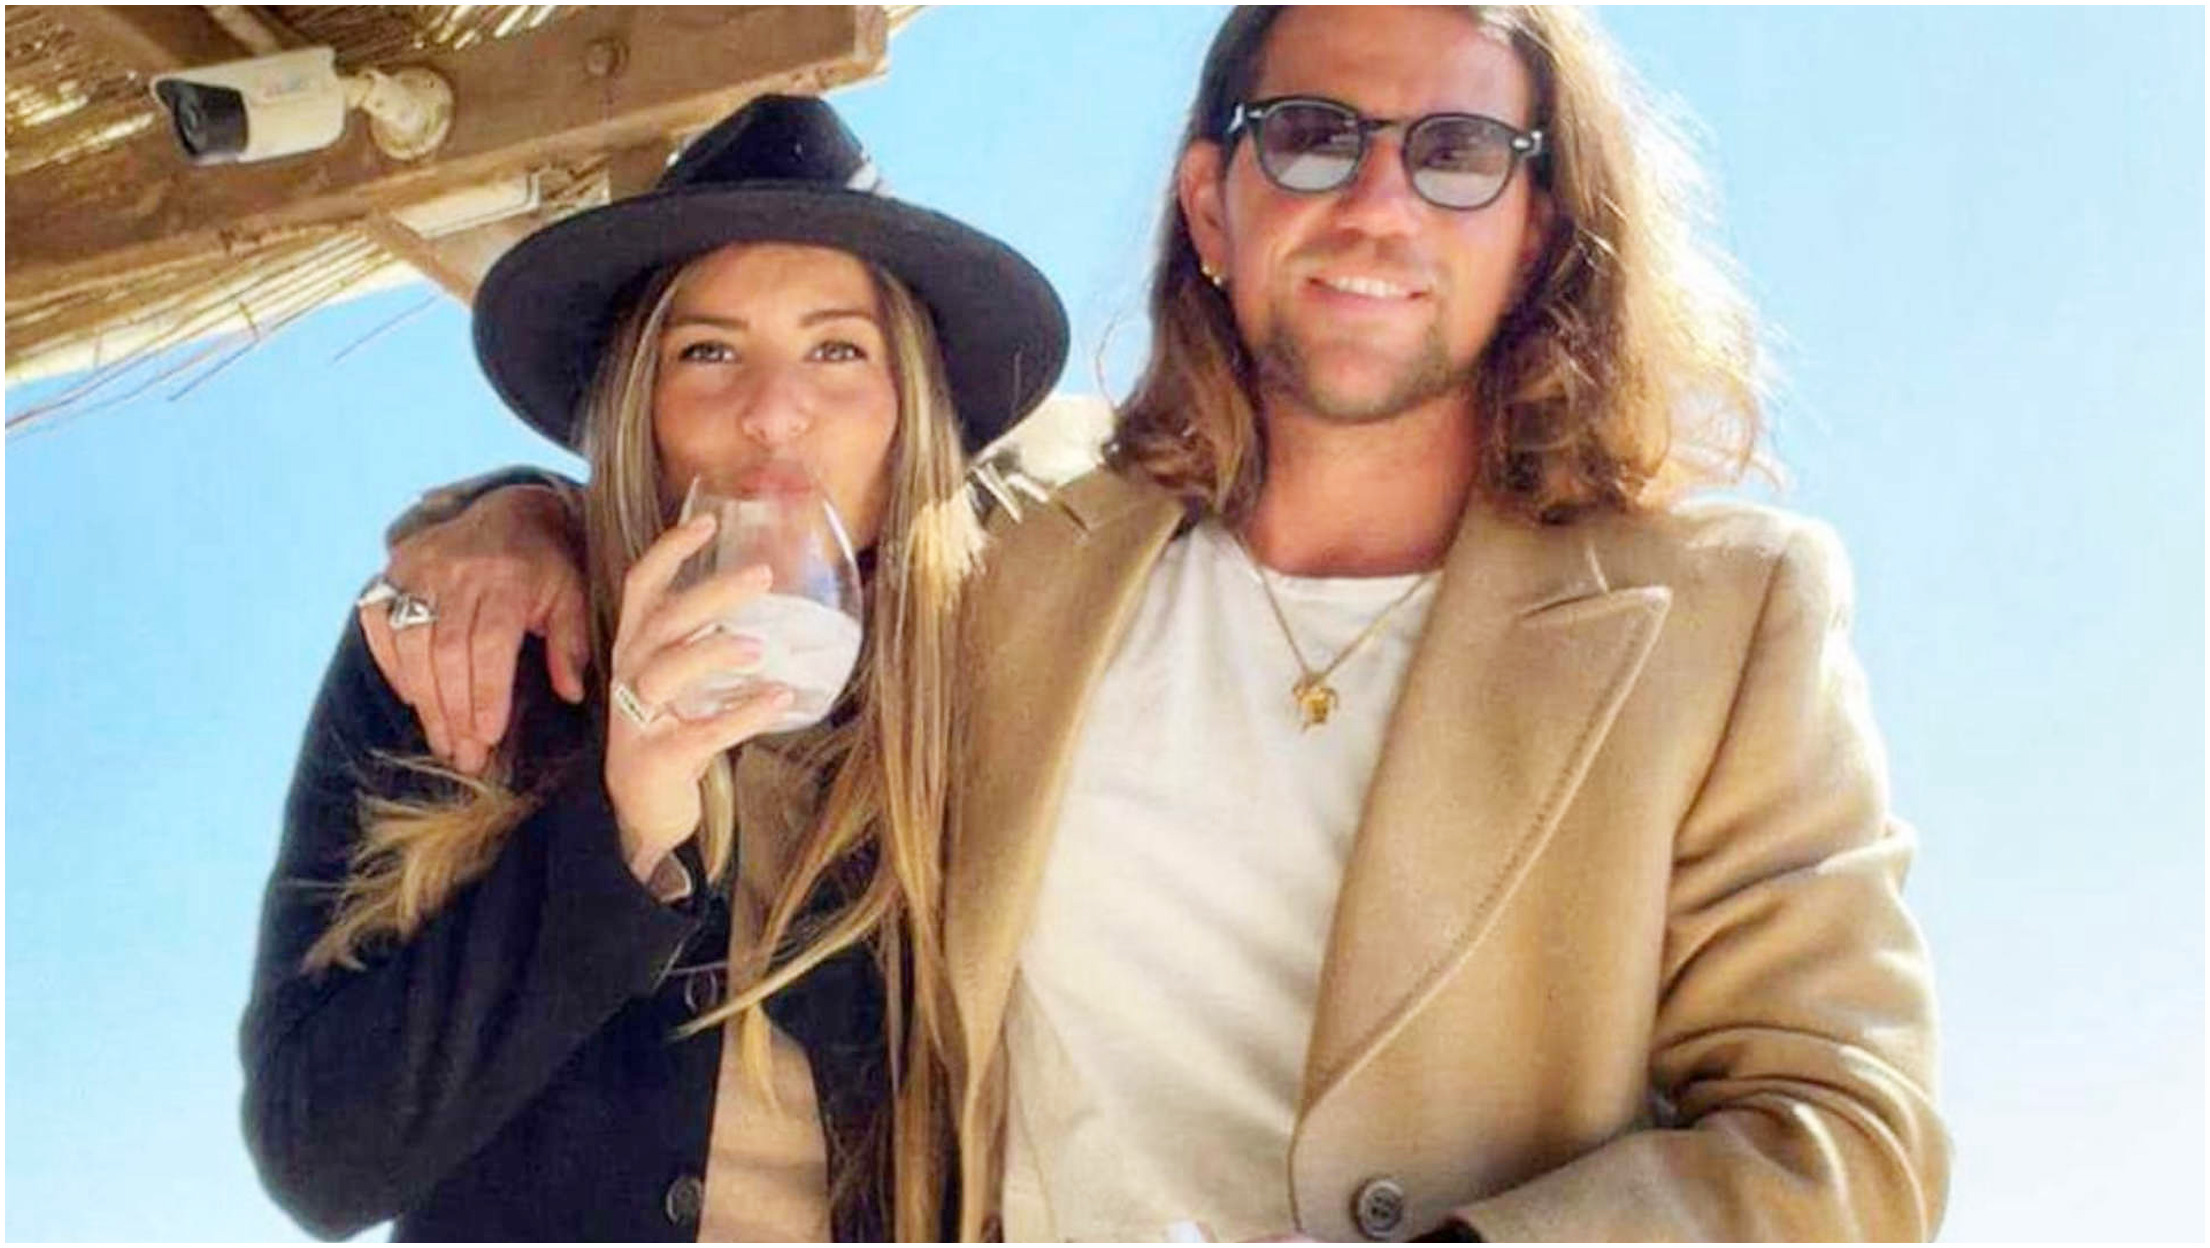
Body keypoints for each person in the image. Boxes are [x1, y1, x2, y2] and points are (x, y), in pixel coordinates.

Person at [368, 6, 1949, 1241]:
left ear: (1534, 225)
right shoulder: (1018, 546)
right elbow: (781, 478)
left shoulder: (1724, 614)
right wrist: (523, 520)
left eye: (1460, 151)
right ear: (1209, 203)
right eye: (1310, 138)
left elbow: (1844, 1137)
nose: (1378, 203)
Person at [242, 94, 1066, 1241]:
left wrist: (512, 500)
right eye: (706, 352)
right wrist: (618, 825)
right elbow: (319, 1160)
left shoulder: (1012, 672)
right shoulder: (471, 652)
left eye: (837, 349)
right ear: (644, 406)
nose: (772, 413)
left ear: (910, 406)